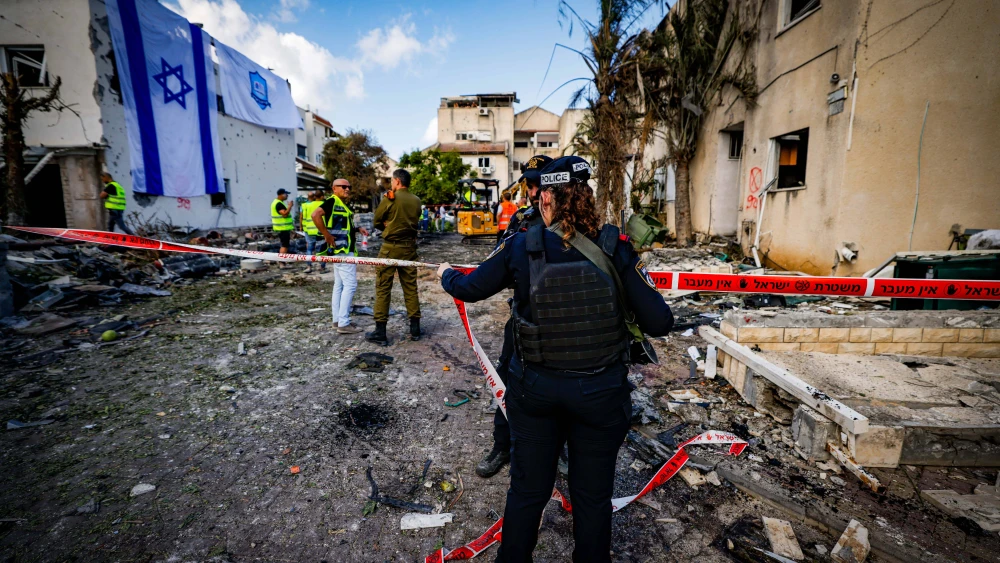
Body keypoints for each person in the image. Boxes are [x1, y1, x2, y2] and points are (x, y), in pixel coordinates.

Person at [437, 155, 673, 562]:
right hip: (601, 394)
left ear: (546, 197)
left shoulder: (520, 245)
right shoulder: (615, 246)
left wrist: (445, 274)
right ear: (584, 196)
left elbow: (470, 288)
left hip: (536, 392)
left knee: (527, 494)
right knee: (592, 499)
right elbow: (660, 321)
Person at [474, 154, 552, 479]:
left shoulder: (578, 221)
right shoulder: (521, 220)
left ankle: (555, 450)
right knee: (507, 380)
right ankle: (502, 446)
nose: (534, 191)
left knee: (558, 390)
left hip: (565, 323)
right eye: (529, 184)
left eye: (539, 183)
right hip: (523, 320)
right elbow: (498, 262)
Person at [367, 169, 422, 345]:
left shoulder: (389, 198)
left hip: (390, 248)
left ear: (397, 181)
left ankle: (380, 333)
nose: (391, 184)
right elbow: (415, 221)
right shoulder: (416, 200)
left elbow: (376, 221)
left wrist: (388, 227)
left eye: (392, 181)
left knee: (383, 288)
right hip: (409, 249)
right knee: (411, 288)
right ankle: (415, 330)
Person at [313, 178, 369, 334]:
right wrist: (327, 235)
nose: (347, 189)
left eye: (349, 187)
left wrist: (357, 229)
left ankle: (337, 320)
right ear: (334, 189)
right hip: (342, 250)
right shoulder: (332, 202)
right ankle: (344, 323)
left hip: (341, 250)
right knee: (350, 284)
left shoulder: (341, 205)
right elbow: (315, 215)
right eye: (343, 186)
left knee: (339, 285)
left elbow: (342, 226)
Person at [300, 191, 324, 273]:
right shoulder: (323, 204)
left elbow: (302, 217)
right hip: (321, 230)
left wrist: (301, 226)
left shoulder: (306, 205)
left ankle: (309, 266)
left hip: (309, 230)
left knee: (309, 249)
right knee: (321, 249)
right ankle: (322, 267)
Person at [271, 188, 294, 256]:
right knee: (284, 245)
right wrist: (290, 206)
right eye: (286, 194)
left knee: (285, 245)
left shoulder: (277, 202)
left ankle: (282, 262)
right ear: (281, 195)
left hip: (282, 228)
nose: (287, 196)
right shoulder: (278, 204)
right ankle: (282, 262)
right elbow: (284, 214)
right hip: (283, 228)